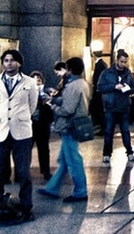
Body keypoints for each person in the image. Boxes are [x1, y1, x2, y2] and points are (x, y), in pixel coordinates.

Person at [0, 49, 38, 225]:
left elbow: (33, 106)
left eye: (13, 60)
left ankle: (26, 208)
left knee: (23, 173)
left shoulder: (29, 82)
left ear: (19, 63)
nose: (9, 63)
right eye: (6, 60)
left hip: (21, 132)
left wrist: (19, 118)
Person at [37, 57, 90, 203]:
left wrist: (52, 105)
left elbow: (67, 109)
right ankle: (52, 188)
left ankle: (80, 191)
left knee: (73, 159)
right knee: (65, 159)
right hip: (74, 125)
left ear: (70, 70)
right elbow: (69, 101)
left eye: (66, 68)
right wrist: (54, 99)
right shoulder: (82, 83)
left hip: (69, 126)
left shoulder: (73, 85)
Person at [97, 49, 134, 163]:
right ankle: (107, 154)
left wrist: (128, 89)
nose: (123, 64)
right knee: (109, 131)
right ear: (117, 60)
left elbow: (133, 87)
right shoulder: (106, 73)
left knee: (125, 130)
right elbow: (100, 87)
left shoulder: (128, 73)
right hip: (110, 106)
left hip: (124, 106)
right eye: (122, 61)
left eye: (125, 62)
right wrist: (114, 87)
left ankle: (129, 152)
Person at [29, 71, 53, 180]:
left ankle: (45, 171)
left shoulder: (47, 93)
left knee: (43, 149)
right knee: (26, 149)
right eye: (34, 81)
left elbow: (50, 109)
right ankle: (22, 172)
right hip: (30, 125)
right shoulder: (27, 93)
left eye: (38, 81)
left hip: (43, 125)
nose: (37, 83)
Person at [90, 50, 108, 135]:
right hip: (99, 90)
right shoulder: (102, 64)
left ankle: (101, 126)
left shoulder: (100, 64)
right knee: (97, 108)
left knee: (98, 108)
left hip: (99, 91)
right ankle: (100, 125)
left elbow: (99, 77)